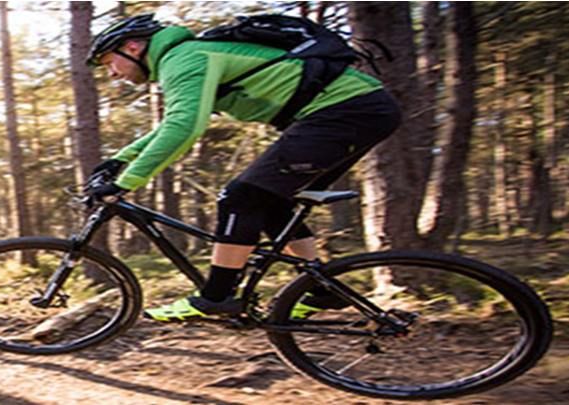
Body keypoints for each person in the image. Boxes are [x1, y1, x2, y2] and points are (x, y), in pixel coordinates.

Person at [85, 13, 401, 322]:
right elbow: (175, 123)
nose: (112, 73)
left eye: (109, 62)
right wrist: (120, 160)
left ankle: (216, 297)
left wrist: (127, 182)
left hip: (345, 112)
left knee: (240, 198)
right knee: (271, 201)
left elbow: (183, 127)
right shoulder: (191, 56)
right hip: (358, 111)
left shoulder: (183, 58)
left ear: (132, 48)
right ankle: (321, 289)